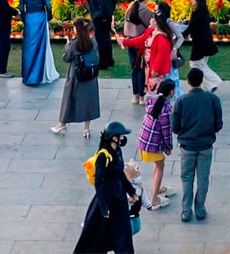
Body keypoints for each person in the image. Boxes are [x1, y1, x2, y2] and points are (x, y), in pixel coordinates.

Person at [75, 122, 141, 253]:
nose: (123, 138)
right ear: (113, 137)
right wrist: (103, 207)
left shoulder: (117, 151)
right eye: (121, 135)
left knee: (123, 234)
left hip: (119, 198)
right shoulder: (103, 156)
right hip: (107, 199)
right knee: (97, 237)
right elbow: (99, 183)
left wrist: (131, 191)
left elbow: (120, 174)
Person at [171, 65, 222, 223]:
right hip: (205, 146)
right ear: (202, 81)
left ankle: (186, 211)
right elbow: (218, 124)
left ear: (188, 82)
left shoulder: (181, 101)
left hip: (187, 147)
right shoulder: (212, 99)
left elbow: (175, 127)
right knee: (203, 178)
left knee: (187, 177)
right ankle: (200, 208)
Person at [55, 18, 102, 137]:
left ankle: (62, 124)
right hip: (90, 76)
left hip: (76, 77)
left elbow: (66, 58)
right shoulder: (94, 42)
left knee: (68, 99)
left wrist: (67, 46)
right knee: (88, 102)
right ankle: (86, 129)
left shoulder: (73, 45)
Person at [136, 76, 176, 211]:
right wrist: (168, 147)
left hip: (144, 140)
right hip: (152, 144)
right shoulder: (165, 110)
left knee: (159, 164)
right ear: (171, 92)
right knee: (160, 166)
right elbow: (166, 131)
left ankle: (156, 189)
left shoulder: (151, 100)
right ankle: (154, 199)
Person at [20, 0, 58, 86]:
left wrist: (24, 20)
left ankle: (28, 76)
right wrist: (48, 18)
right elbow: (49, 6)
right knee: (42, 46)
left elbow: (22, 9)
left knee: (29, 48)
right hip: (40, 19)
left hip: (29, 20)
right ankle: (41, 74)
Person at [88, 0, 120, 70]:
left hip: (100, 18)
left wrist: (103, 15)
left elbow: (102, 2)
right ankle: (109, 60)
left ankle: (103, 62)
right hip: (106, 16)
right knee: (106, 38)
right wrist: (111, 10)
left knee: (101, 40)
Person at [187, 0, 218, 85]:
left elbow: (191, 27)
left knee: (196, 65)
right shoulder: (203, 11)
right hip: (206, 43)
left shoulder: (197, 13)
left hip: (200, 44)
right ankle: (207, 86)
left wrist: (179, 35)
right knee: (200, 65)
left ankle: (214, 82)